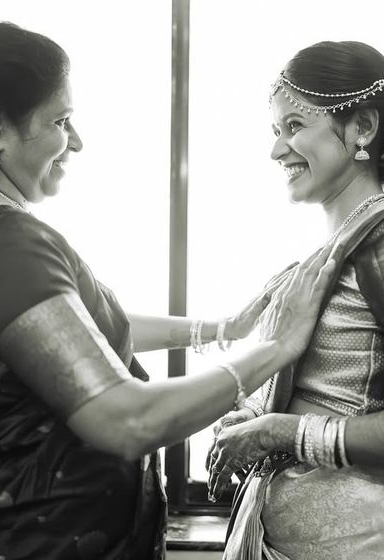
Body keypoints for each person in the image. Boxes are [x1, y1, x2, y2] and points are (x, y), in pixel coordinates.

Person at [0, 21, 335, 560]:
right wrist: (273, 350)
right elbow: (128, 420)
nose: (78, 142)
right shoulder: (4, 243)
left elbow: (75, 337)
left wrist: (221, 330)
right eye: (62, 121)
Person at [207, 40, 384, 560]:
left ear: (364, 129)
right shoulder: (338, 244)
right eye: (275, 130)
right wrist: (253, 417)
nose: (276, 150)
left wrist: (280, 431)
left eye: (295, 127)